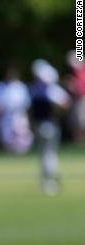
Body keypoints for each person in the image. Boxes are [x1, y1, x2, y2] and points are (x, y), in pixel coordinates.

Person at [29, 59, 71, 196]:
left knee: (46, 153)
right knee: (49, 152)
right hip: (49, 124)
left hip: (42, 124)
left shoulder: (35, 89)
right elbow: (66, 103)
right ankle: (51, 179)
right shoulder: (51, 90)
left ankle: (49, 180)